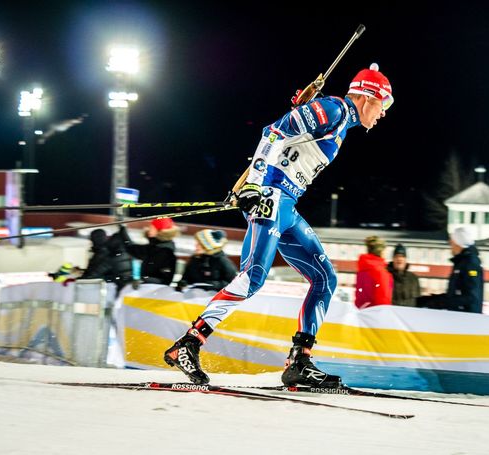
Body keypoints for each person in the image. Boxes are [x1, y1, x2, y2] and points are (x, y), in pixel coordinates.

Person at [164, 63, 393, 386]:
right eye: (384, 105)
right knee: (253, 278)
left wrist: (305, 105)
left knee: (324, 276)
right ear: (369, 97)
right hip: (271, 195)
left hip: (287, 204)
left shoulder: (337, 117)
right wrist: (255, 184)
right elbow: (273, 133)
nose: (383, 113)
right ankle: (188, 345)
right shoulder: (336, 109)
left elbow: (296, 133)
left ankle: (300, 361)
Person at [417, 227, 484, 313]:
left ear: (458, 243)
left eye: (451, 242)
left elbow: (471, 297)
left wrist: (439, 303)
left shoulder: (470, 264)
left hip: (466, 319)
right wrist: (429, 300)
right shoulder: (461, 263)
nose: (450, 244)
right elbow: (454, 294)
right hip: (458, 316)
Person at [118, 218, 178, 286]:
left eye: (152, 227)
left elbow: (164, 279)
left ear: (160, 231)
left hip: (154, 293)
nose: (149, 228)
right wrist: (122, 229)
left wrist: (143, 280)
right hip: (147, 290)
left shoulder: (164, 251)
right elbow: (131, 248)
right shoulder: (156, 247)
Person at [81, 228, 134, 294]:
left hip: (113, 290)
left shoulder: (109, 256)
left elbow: (93, 274)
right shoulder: (131, 255)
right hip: (130, 289)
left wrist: (80, 279)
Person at [354, 236, 393, 309]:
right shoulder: (380, 272)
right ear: (380, 251)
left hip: (361, 312)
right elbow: (383, 299)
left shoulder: (362, 269)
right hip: (376, 315)